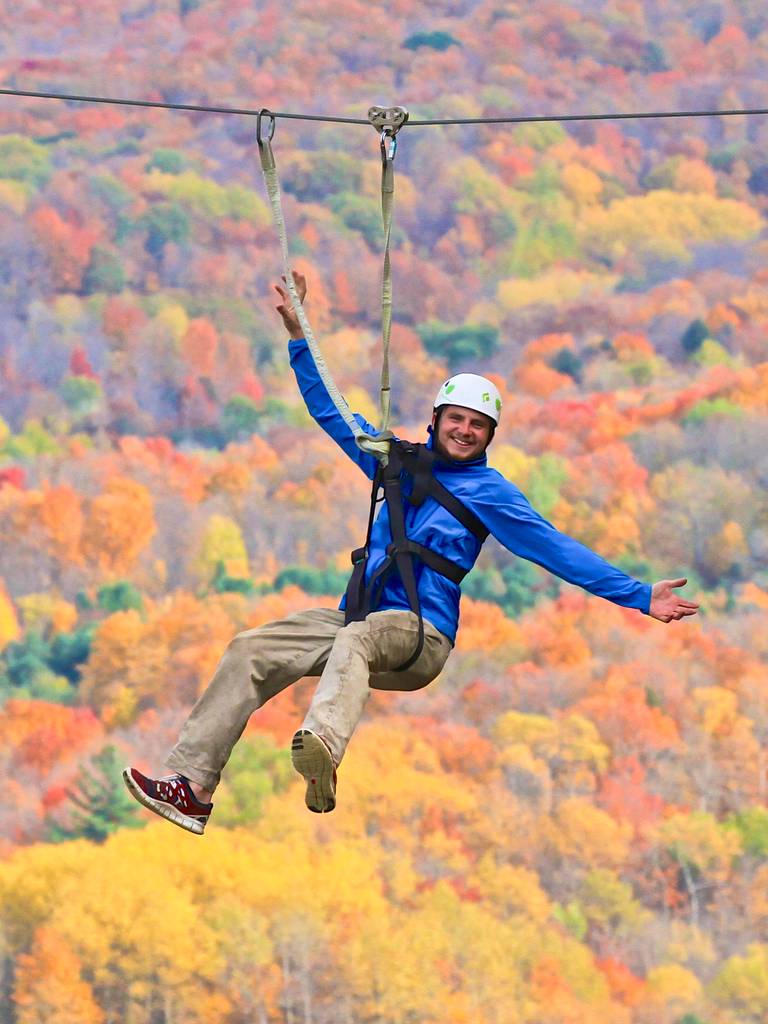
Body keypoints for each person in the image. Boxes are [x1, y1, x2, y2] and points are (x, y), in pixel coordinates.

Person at [124, 272, 699, 834]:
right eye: (458, 419)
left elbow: (555, 549)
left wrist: (639, 595)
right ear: (436, 420)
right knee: (253, 648)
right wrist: (302, 338)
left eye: (479, 425)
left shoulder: (491, 493)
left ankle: (323, 744)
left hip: (420, 636)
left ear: (489, 437)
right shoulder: (394, 463)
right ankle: (192, 788)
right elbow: (333, 413)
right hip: (363, 623)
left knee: (356, 638)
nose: (466, 431)